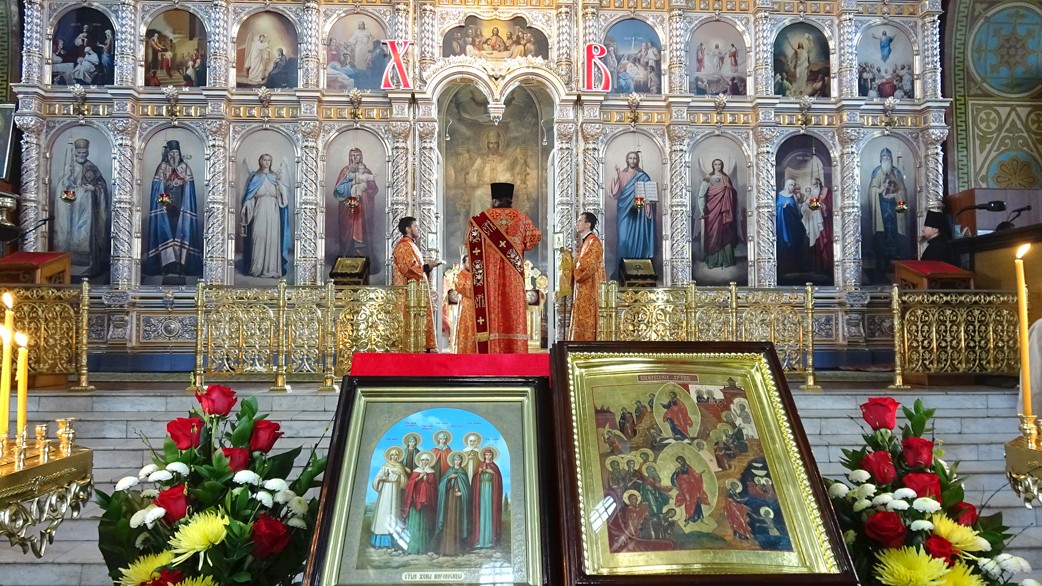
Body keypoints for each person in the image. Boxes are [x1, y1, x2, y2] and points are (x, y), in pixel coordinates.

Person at [466, 183, 542, 354]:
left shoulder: (483, 219)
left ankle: (492, 349)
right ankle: (515, 350)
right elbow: (534, 238)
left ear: (494, 200)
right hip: (514, 275)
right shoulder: (522, 218)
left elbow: (469, 241)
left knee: (492, 309)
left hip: (490, 276)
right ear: (510, 200)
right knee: (513, 309)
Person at [144, 140, 203, 277]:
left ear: (179, 153)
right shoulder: (162, 167)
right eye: (171, 153)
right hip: (167, 208)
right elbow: (158, 188)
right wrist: (167, 205)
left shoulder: (185, 167)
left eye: (176, 153)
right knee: (166, 233)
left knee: (182, 233)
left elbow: (189, 189)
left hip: (182, 205)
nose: (174, 156)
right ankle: (167, 265)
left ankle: (181, 264)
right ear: (167, 153)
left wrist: (183, 184)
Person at [53, 138, 110, 279]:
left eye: (84, 152)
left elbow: (102, 185)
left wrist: (94, 189)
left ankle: (88, 268)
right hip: (70, 210)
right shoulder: (68, 168)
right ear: (75, 152)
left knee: (85, 234)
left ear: (88, 152)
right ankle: (66, 265)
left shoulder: (92, 167)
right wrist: (65, 184)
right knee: (69, 235)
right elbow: (61, 187)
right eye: (79, 152)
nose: (82, 155)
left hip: (87, 210)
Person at [392, 217, 442, 351]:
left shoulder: (411, 245)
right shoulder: (404, 246)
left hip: (417, 292)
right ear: (408, 229)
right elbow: (408, 268)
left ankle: (424, 347)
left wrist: (428, 267)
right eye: (416, 226)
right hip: (410, 294)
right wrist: (428, 266)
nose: (418, 229)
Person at [240, 154, 290, 278]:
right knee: (259, 236)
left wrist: (280, 186)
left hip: (273, 209)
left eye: (269, 160)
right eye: (264, 160)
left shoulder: (275, 177)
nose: (267, 162)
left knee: (273, 238)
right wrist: (247, 204)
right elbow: (250, 196)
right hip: (259, 208)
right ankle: (256, 268)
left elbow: (283, 197)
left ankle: (272, 269)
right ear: (260, 161)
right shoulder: (255, 177)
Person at [867, 148, 910, 278]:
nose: (886, 159)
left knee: (896, 236)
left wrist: (896, 195)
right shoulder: (877, 172)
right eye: (884, 157)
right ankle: (881, 265)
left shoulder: (896, 173)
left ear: (891, 159)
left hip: (894, 209)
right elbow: (872, 190)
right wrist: (880, 190)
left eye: (888, 157)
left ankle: (896, 266)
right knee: (881, 237)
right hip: (881, 209)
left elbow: (903, 191)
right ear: (881, 159)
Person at [609, 151, 655, 262]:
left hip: (638, 210)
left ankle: (638, 264)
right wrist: (616, 175)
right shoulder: (621, 174)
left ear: (637, 160)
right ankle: (623, 264)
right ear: (627, 160)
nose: (633, 160)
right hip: (624, 210)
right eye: (630, 158)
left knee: (638, 236)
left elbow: (649, 194)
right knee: (623, 238)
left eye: (635, 158)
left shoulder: (643, 176)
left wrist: (648, 205)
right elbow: (614, 193)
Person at [333, 147, 378, 257]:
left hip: (363, 208)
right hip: (348, 208)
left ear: (361, 156)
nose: (355, 157)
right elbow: (338, 190)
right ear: (349, 157)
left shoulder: (366, 171)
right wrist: (352, 185)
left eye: (357, 155)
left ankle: (363, 254)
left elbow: (373, 189)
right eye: (352, 155)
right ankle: (347, 253)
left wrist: (364, 192)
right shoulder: (345, 171)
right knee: (347, 230)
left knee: (363, 229)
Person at [697, 159, 741, 269]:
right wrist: (702, 210)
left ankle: (726, 260)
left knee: (725, 233)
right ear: (713, 166)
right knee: (713, 234)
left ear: (722, 165)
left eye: (719, 164)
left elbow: (733, 194)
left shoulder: (726, 178)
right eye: (715, 164)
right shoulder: (708, 178)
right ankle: (713, 261)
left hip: (725, 212)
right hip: (711, 211)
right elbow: (701, 195)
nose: (717, 166)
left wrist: (728, 190)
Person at [570, 212, 605, 341]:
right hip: (583, 287)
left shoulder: (594, 242)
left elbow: (588, 265)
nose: (577, 223)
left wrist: (573, 267)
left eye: (580, 221)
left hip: (590, 287)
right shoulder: (586, 242)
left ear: (588, 224)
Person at [370, 447, 407, 548]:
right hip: (385, 492)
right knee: (383, 512)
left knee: (394, 513)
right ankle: (379, 542)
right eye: (392, 455)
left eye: (396, 455)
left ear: (398, 456)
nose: (394, 457)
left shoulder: (400, 467)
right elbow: (376, 479)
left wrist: (400, 476)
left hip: (395, 492)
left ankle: (393, 542)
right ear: (390, 456)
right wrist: (382, 478)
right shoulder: (385, 466)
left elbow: (405, 482)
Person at [401, 452, 438, 554]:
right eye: (423, 460)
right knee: (414, 525)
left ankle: (423, 549)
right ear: (420, 461)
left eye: (426, 460)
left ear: (429, 461)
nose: (424, 462)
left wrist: (427, 482)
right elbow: (409, 485)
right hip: (415, 502)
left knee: (424, 525)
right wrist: (419, 478)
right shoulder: (416, 471)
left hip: (426, 503)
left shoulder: (431, 472)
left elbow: (434, 488)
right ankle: (412, 548)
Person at [436, 452, 471, 555]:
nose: (457, 462)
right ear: (452, 461)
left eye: (459, 460)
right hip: (449, 502)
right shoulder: (449, 472)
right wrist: (449, 478)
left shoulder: (463, 472)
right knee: (448, 522)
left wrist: (462, 493)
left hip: (459, 502)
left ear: (461, 461)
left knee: (458, 522)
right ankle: (445, 550)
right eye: (455, 460)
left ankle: (458, 550)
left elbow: (467, 489)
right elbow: (441, 487)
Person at [470, 448, 503, 548]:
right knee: (481, 513)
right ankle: (479, 541)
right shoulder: (480, 465)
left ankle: (489, 541)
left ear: (492, 456)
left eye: (489, 455)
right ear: (484, 456)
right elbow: (475, 479)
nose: (488, 457)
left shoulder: (495, 467)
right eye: (486, 455)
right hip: (481, 491)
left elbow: (498, 479)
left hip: (491, 492)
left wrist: (491, 472)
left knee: (489, 512)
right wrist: (479, 472)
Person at [776, 178, 807, 276]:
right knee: (784, 244)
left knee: (795, 242)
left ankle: (795, 266)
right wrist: (783, 207)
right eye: (791, 185)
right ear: (787, 185)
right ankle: (784, 267)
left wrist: (805, 205)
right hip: (783, 224)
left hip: (793, 223)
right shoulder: (780, 195)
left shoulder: (793, 196)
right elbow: (776, 208)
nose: (793, 187)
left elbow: (798, 209)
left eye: (794, 185)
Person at [802, 178, 833, 274]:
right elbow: (812, 207)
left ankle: (825, 266)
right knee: (813, 243)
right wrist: (806, 207)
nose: (814, 187)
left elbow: (828, 206)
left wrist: (821, 206)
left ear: (819, 184)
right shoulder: (813, 194)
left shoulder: (826, 191)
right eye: (812, 185)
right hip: (814, 222)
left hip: (824, 224)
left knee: (823, 242)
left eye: (815, 185)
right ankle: (815, 267)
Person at [453, 255, 477, 354]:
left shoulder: (477, 274)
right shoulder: (460, 275)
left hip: (478, 304)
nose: (471, 264)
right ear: (463, 263)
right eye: (468, 262)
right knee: (468, 327)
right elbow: (462, 288)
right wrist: (475, 285)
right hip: (467, 305)